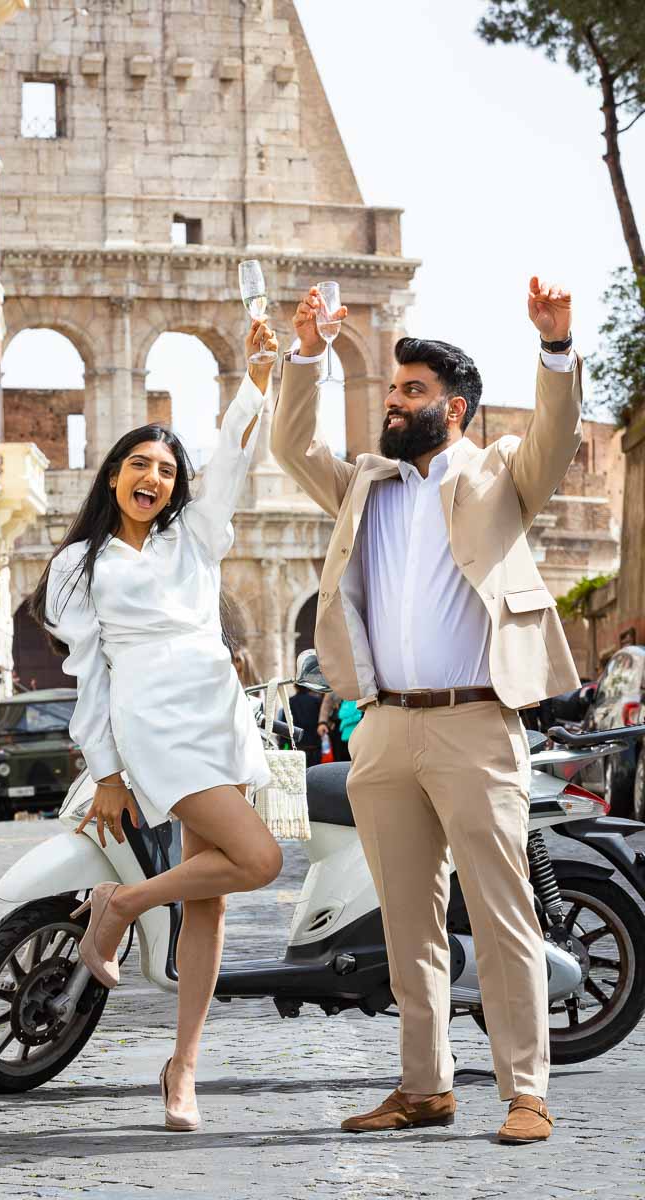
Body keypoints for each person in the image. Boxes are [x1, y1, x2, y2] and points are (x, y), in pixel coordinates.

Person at [273, 277, 582, 1145]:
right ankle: (424, 1086)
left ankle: (527, 1093)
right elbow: (290, 441)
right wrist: (307, 354)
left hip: (477, 726)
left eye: (412, 391)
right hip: (384, 729)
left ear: (454, 410)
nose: (395, 401)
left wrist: (555, 349)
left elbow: (557, 440)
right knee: (408, 921)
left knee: (501, 913)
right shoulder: (363, 487)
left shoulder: (501, 477)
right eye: (394, 388)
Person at [30, 319, 282, 1133]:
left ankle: (183, 1071)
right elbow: (89, 673)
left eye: (167, 469)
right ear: (113, 478)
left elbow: (236, 456)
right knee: (259, 858)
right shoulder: (79, 567)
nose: (154, 477)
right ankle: (124, 901)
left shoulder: (194, 540)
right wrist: (105, 770)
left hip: (218, 713)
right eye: (139, 463)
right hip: (154, 723)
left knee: (213, 900)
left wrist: (258, 375)